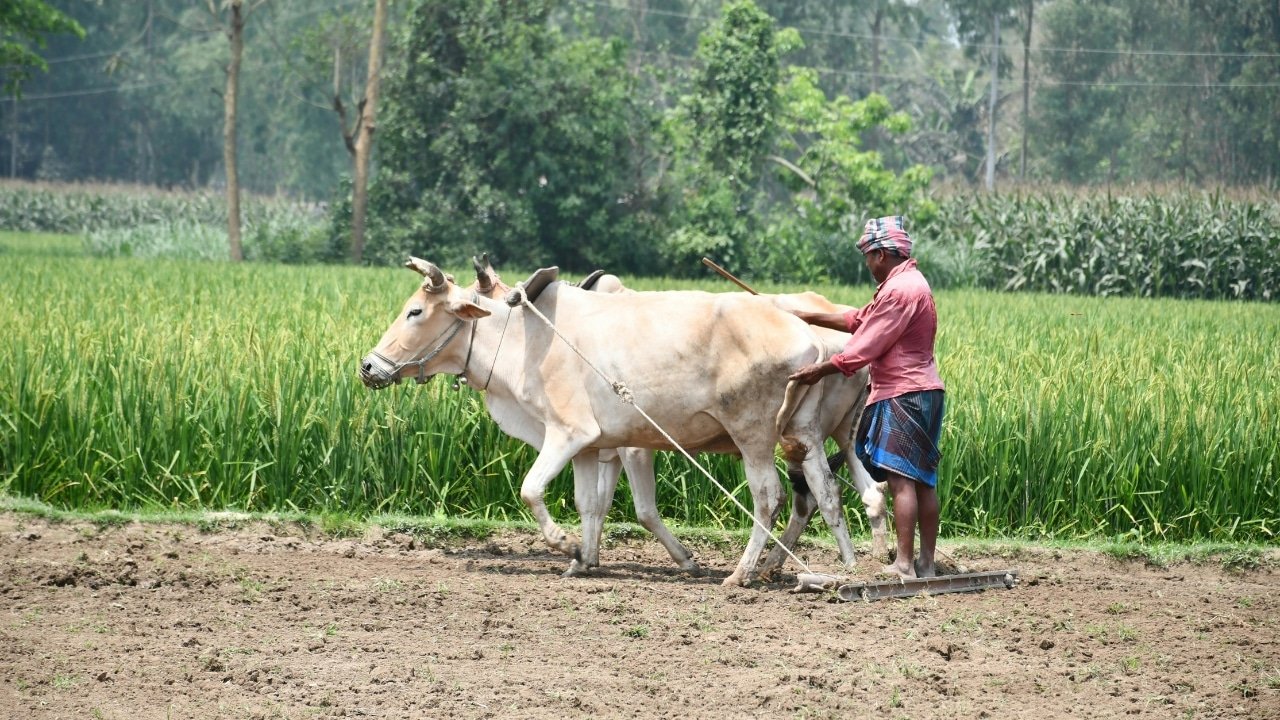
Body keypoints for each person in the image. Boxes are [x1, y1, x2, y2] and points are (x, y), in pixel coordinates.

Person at [788, 216, 945, 579]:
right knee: (923, 480)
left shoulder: (899, 290)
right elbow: (862, 319)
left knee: (902, 479)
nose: (868, 265)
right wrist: (806, 315)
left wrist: (820, 369)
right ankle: (925, 563)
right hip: (925, 390)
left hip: (904, 392)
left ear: (880, 255)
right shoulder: (910, 283)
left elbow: (865, 346)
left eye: (868, 257)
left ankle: (904, 564)